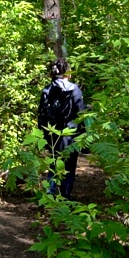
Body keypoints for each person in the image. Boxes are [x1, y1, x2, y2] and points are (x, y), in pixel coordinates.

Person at [37, 58, 86, 199]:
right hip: (70, 133)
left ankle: (50, 193)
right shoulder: (75, 89)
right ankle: (65, 194)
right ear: (67, 72)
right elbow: (81, 113)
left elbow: (41, 113)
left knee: (54, 162)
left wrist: (42, 132)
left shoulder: (47, 89)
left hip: (52, 133)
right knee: (69, 165)